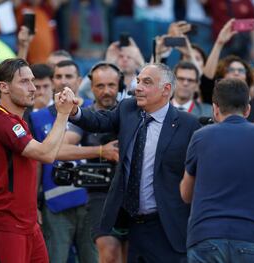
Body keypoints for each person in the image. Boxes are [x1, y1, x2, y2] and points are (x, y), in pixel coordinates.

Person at [69, 63, 201, 262]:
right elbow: (99, 120)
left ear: (166, 90)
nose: (137, 87)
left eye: (147, 82)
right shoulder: (127, 108)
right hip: (132, 223)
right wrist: (75, 112)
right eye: (138, 81)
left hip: (168, 226)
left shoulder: (188, 124)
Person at [0, 58, 75, 263]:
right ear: (4, 87)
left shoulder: (17, 121)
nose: (33, 88)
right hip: (4, 226)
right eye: (25, 82)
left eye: (33, 81)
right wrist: (63, 114)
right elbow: (46, 154)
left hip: (27, 224)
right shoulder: (0, 121)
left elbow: (48, 152)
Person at [180, 78, 254, 262]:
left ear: (215, 108)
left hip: (206, 235)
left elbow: (186, 194)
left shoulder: (200, 136)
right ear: (247, 109)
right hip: (251, 236)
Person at [29, 60, 98, 263]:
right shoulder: (38, 117)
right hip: (55, 204)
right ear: (52, 81)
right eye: (58, 76)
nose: (63, 81)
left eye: (69, 76)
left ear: (79, 80)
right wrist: (34, 203)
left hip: (91, 200)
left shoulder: (92, 109)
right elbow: (37, 163)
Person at [63, 62, 127, 262]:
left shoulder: (131, 112)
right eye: (100, 86)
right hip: (100, 193)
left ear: (120, 86)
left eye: (111, 85)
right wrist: (100, 151)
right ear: (91, 87)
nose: (106, 91)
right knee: (108, 252)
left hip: (130, 191)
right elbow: (59, 149)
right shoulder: (84, 116)